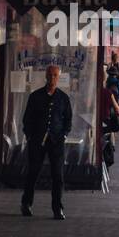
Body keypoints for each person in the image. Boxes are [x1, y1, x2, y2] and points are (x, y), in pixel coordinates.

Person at [21, 64, 72, 220]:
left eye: (55, 75)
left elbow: (68, 120)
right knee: (33, 172)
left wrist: (63, 135)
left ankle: (58, 208)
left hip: (56, 142)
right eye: (50, 75)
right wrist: (30, 136)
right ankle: (26, 203)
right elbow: (27, 119)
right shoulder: (35, 96)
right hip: (37, 141)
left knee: (58, 175)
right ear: (45, 76)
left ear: (59, 77)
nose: (52, 78)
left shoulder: (63, 98)